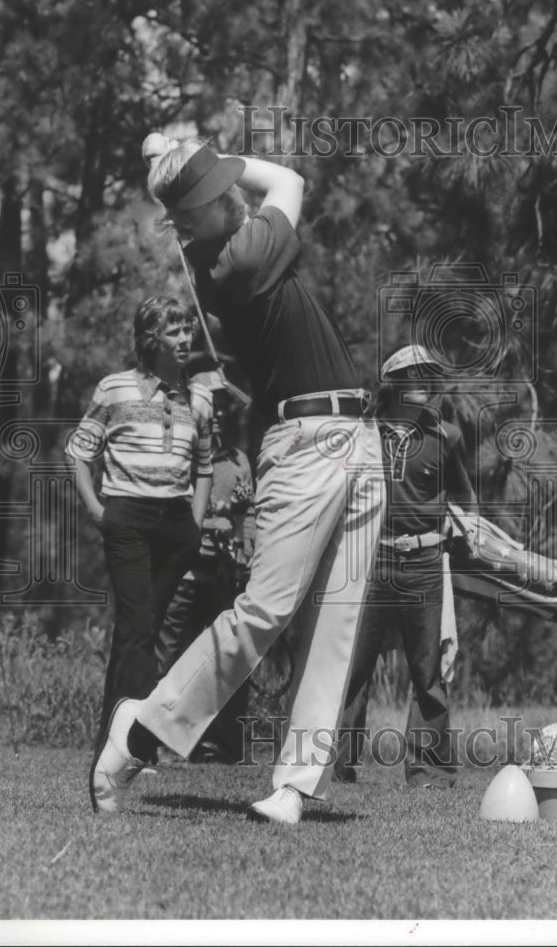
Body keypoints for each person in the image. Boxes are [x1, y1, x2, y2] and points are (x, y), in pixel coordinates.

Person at [89, 134, 385, 824]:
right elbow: (287, 179)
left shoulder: (226, 245)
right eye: (199, 205)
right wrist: (211, 152)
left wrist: (191, 158)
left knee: (334, 624)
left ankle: (292, 787)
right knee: (266, 610)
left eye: (211, 196)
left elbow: (265, 186)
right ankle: (139, 731)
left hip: (354, 436)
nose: (219, 202)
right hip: (309, 441)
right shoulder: (236, 258)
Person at [65, 296, 213, 742]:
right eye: (175, 331)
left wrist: (195, 523)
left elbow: (204, 466)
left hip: (176, 524)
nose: (186, 338)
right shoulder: (114, 388)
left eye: (188, 328)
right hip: (126, 516)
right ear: (152, 339)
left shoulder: (200, 396)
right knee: (138, 628)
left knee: (142, 629)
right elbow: (78, 452)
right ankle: (132, 745)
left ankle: (115, 737)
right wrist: (97, 510)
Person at [335, 344, 476, 788]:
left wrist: (460, 530)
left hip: (425, 563)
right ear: (392, 383)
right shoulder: (363, 434)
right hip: (371, 560)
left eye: (428, 376)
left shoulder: (446, 435)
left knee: (427, 670)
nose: (422, 383)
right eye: (412, 375)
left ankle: (429, 771)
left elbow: (465, 497)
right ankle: (335, 765)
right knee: (353, 666)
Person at [156, 378, 256, 764]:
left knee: (226, 658)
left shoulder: (237, 461)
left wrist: (247, 544)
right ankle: (156, 744)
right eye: (209, 411)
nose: (215, 420)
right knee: (168, 660)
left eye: (223, 413)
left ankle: (220, 744)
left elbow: (250, 519)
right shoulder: (177, 457)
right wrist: (216, 521)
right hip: (183, 575)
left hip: (224, 575)